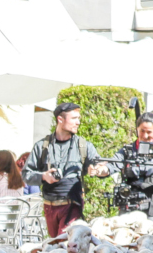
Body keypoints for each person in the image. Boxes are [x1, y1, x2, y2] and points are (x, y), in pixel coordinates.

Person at [20, 101, 110, 237]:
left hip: (72, 207)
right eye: (74, 118)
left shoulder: (83, 146)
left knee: (64, 243)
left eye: (79, 118)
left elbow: (101, 166)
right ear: (60, 119)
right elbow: (26, 174)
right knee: (55, 246)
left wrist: (97, 170)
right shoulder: (42, 146)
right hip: (49, 207)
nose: (78, 122)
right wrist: (43, 176)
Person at [103, 111, 153, 221]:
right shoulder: (127, 150)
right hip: (129, 204)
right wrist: (101, 170)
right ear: (137, 129)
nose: (145, 135)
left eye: (149, 132)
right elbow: (113, 164)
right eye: (142, 131)